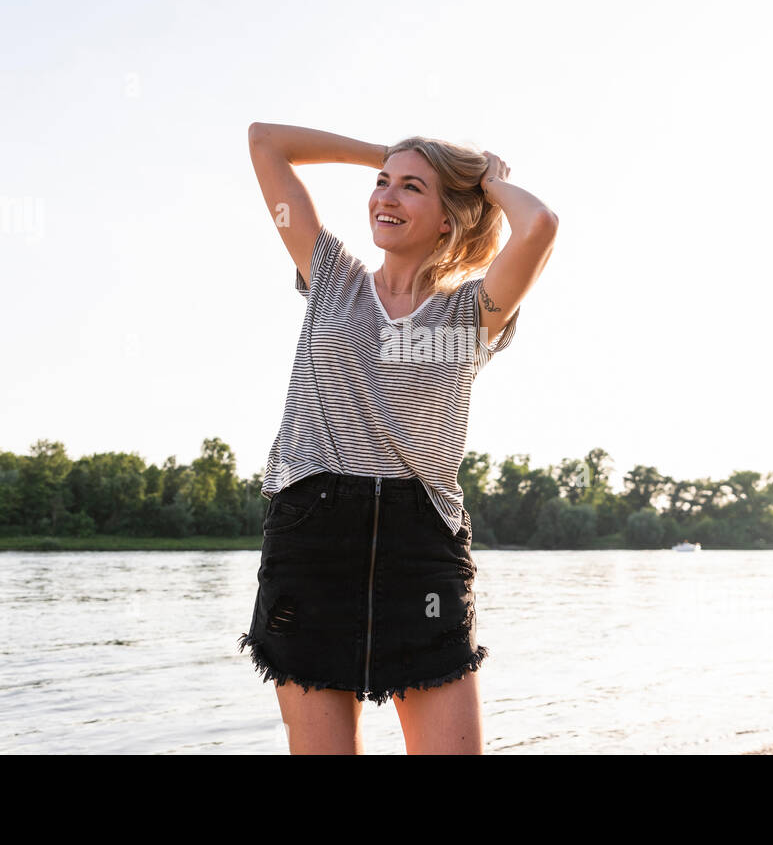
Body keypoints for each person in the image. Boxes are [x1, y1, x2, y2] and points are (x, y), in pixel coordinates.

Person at [238, 122, 558, 754]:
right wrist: (378, 157)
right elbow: (264, 143)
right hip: (313, 537)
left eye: (412, 188)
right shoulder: (332, 278)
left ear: (448, 220)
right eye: (382, 185)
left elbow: (540, 225)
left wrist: (491, 184)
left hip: (420, 552)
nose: (386, 196)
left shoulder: (473, 312)